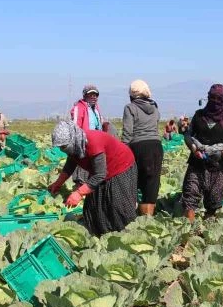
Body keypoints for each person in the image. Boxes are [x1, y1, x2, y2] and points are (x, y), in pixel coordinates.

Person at [47, 120, 137, 235]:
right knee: (93, 207)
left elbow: (100, 175)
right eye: (60, 147)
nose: (62, 150)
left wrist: (79, 193)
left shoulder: (92, 143)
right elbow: (70, 166)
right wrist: (58, 183)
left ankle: (125, 234)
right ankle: (101, 234)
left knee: (117, 207)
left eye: (64, 146)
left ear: (72, 139)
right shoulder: (76, 145)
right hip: (100, 172)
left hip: (120, 167)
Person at [181, 84, 223, 222]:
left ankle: (207, 231)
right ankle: (187, 234)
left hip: (219, 167)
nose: (215, 102)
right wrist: (194, 149)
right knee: (190, 197)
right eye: (212, 98)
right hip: (197, 164)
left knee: (213, 202)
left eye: (218, 99)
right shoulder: (199, 115)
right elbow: (187, 135)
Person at [122, 80, 163, 216]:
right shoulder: (154, 106)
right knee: (151, 185)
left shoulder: (130, 107)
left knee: (137, 183)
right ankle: (148, 219)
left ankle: (139, 219)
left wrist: (122, 152)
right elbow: (156, 124)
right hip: (156, 146)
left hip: (139, 147)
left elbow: (127, 133)